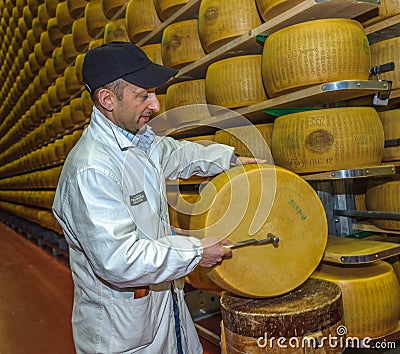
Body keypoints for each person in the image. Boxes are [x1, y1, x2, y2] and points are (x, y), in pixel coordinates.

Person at [52, 41, 262, 354]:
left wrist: (228, 160)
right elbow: (120, 260)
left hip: (162, 304)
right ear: (108, 99)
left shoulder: (137, 140)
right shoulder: (91, 171)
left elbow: (178, 154)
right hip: (122, 332)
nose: (156, 105)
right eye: (143, 96)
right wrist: (195, 253)